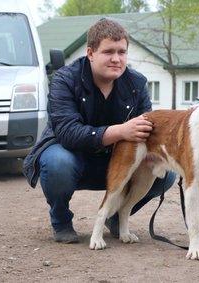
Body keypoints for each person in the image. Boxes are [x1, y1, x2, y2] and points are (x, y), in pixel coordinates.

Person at [23, 19, 176, 243]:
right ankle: (61, 220)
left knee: (166, 173)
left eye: (122, 52)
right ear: (91, 53)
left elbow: (148, 131)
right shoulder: (64, 80)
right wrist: (120, 131)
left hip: (117, 162)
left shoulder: (136, 83)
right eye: (108, 51)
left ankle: (116, 217)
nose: (116, 58)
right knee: (57, 162)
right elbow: (67, 133)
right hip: (73, 159)